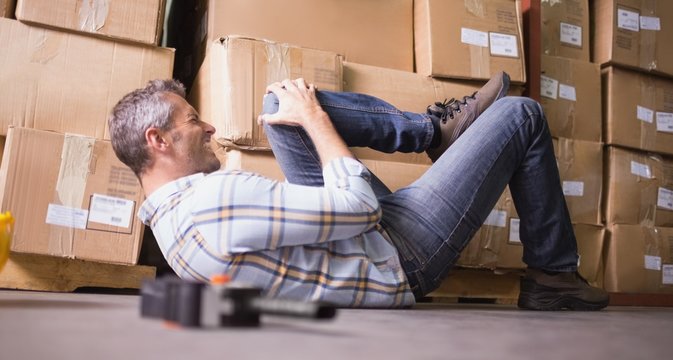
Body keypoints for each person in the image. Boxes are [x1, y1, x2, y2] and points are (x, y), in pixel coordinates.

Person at [108, 72, 609, 310]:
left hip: (354, 239)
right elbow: (360, 208)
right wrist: (317, 119)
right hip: (397, 255)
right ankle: (554, 275)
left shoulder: (174, 225)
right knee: (521, 114)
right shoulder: (212, 204)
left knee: (276, 105)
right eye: (194, 121)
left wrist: (303, 117)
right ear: (159, 140)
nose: (210, 127)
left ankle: (434, 133)